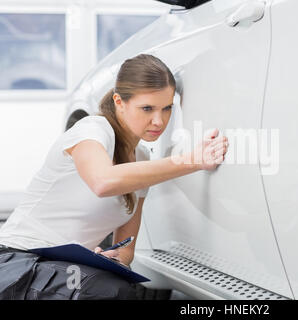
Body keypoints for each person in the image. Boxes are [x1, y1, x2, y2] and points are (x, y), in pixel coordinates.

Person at [0, 53, 229, 300]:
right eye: (147, 108)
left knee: (115, 286)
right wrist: (191, 160)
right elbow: (103, 181)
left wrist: (113, 258)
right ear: (119, 101)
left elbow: (126, 248)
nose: (158, 120)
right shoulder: (93, 129)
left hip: (61, 268)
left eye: (167, 109)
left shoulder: (141, 158)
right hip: (19, 263)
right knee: (108, 292)